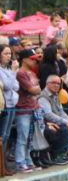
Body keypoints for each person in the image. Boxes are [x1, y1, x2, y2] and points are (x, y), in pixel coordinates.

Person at [38, 75, 68, 165]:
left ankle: (63, 154)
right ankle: (56, 156)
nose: (56, 85)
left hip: (56, 122)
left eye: (58, 84)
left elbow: (61, 111)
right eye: (54, 83)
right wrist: (66, 122)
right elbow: (48, 115)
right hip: (45, 124)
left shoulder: (55, 95)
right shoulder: (43, 96)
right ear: (47, 84)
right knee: (64, 128)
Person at [15, 48, 42, 173]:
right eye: (32, 59)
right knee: (23, 137)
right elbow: (33, 90)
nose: (35, 60)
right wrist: (36, 88)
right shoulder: (21, 73)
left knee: (29, 137)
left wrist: (36, 88)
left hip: (32, 108)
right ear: (24, 60)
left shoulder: (32, 72)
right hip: (23, 109)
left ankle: (28, 160)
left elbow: (38, 89)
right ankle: (20, 162)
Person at [0, 44, 19, 176]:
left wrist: (12, 73)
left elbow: (15, 86)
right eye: (6, 53)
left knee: (6, 136)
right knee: (3, 136)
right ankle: (2, 166)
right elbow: (7, 86)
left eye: (9, 53)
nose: (9, 56)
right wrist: (13, 72)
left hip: (12, 104)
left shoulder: (7, 69)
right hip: (5, 106)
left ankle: (4, 165)